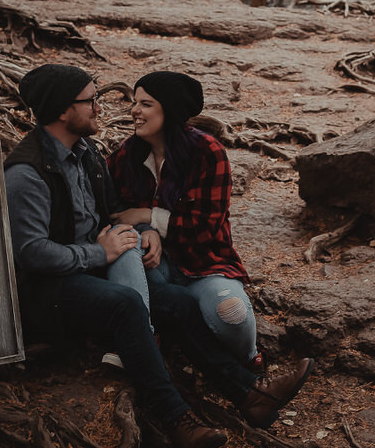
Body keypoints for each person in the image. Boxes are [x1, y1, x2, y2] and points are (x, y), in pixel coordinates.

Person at [4, 64, 313, 448]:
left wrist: (148, 227)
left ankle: (250, 395)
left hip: (88, 271)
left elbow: (114, 211)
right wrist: (101, 253)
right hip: (47, 290)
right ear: (64, 111)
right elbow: (31, 253)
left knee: (178, 303)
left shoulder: (85, 155)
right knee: (128, 304)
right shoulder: (27, 173)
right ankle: (177, 420)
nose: (101, 107)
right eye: (91, 100)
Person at [107, 71, 261, 371]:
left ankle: (247, 362)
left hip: (205, 264)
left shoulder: (207, 152)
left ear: (170, 109)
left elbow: (204, 230)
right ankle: (146, 340)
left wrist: (149, 215)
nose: (134, 111)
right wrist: (145, 229)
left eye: (145, 104)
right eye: (134, 102)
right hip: (155, 269)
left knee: (232, 314)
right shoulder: (129, 153)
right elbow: (113, 207)